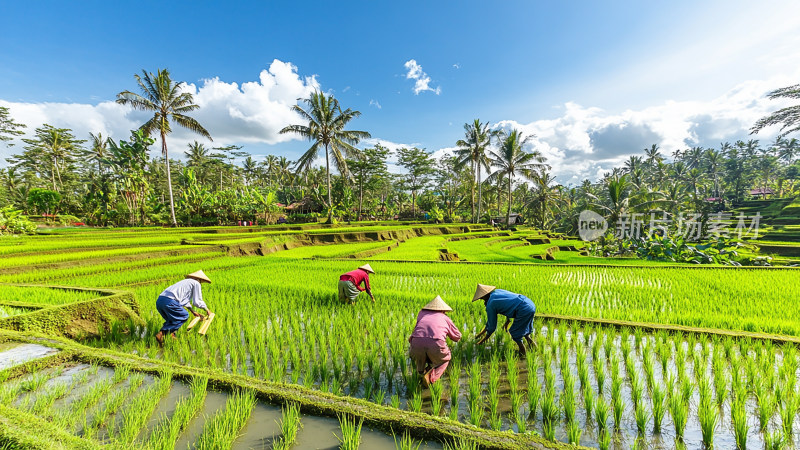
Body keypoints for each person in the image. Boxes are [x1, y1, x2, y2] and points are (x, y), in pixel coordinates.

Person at [408, 295, 461, 387]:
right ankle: (432, 378)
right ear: (443, 310)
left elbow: (417, 328)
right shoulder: (445, 318)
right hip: (435, 343)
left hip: (416, 341)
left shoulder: (421, 313)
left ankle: (421, 372)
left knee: (421, 359)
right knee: (445, 359)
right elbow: (457, 336)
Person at [472, 283, 536, 354]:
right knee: (525, 332)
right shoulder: (497, 292)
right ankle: (535, 349)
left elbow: (492, 326)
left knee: (515, 333)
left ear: (484, 296)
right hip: (529, 304)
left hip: (523, 310)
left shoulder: (491, 304)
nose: (483, 301)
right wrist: (507, 322)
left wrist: (482, 341)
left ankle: (523, 354)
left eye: (482, 298)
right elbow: (509, 305)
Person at [155, 270, 212, 345]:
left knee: (172, 320)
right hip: (169, 301)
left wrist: (192, 311)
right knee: (184, 315)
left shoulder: (185, 282)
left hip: (160, 301)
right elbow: (197, 301)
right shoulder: (196, 283)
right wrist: (207, 310)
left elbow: (184, 300)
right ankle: (161, 333)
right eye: (202, 282)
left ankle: (170, 337)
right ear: (200, 279)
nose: (201, 283)